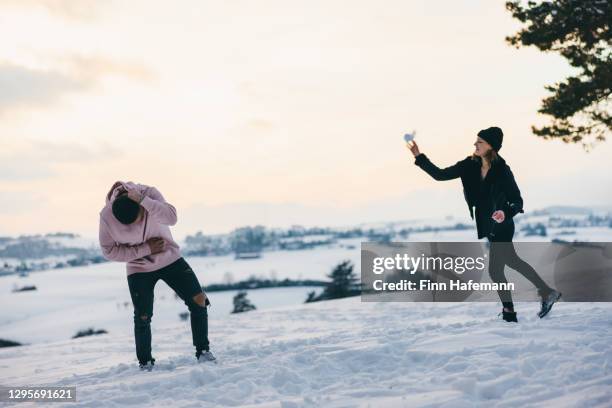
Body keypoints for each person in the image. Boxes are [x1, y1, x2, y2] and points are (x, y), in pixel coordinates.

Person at [407, 127, 561, 322]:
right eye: (476, 141)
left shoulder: (502, 170)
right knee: (512, 261)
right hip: (488, 226)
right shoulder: (468, 165)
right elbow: (440, 175)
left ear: (491, 146)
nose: (475, 144)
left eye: (480, 141)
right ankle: (546, 292)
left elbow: (517, 200)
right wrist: (419, 157)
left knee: (495, 270)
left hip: (503, 225)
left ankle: (510, 313)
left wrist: (505, 212)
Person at [98, 181, 216, 369]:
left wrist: (144, 200)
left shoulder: (148, 193)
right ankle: (145, 363)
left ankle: (203, 351)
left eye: (138, 219)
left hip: (169, 258)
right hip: (139, 267)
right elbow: (109, 251)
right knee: (143, 316)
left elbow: (171, 218)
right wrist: (145, 249)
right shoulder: (106, 215)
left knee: (198, 299)